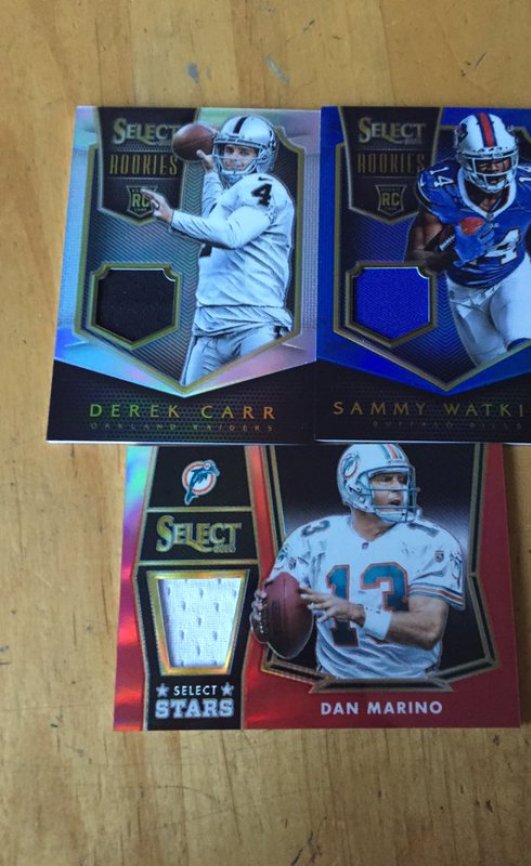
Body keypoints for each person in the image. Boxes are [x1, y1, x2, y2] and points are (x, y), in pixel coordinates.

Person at [251, 444, 464, 680]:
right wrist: (264, 620)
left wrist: (355, 612)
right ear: (354, 486)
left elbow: (428, 630)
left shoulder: (432, 541)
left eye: (402, 479)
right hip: (333, 684)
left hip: (412, 684)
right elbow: (278, 609)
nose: (400, 488)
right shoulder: (311, 539)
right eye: (386, 479)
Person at [405, 111, 531, 366]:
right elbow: (415, 265)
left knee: (521, 352)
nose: (494, 168)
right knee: (495, 369)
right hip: (464, 292)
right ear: (463, 160)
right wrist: (453, 254)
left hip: (512, 278)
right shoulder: (442, 189)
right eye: (483, 162)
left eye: (501, 160)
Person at [142, 114, 295, 385]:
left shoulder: (265, 186)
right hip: (209, 324)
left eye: (244, 152)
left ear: (262, 156)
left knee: (261, 403)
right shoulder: (231, 195)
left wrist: (172, 216)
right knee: (192, 404)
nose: (233, 157)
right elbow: (212, 222)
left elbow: (231, 235)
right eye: (229, 149)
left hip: (254, 323)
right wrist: (211, 174)